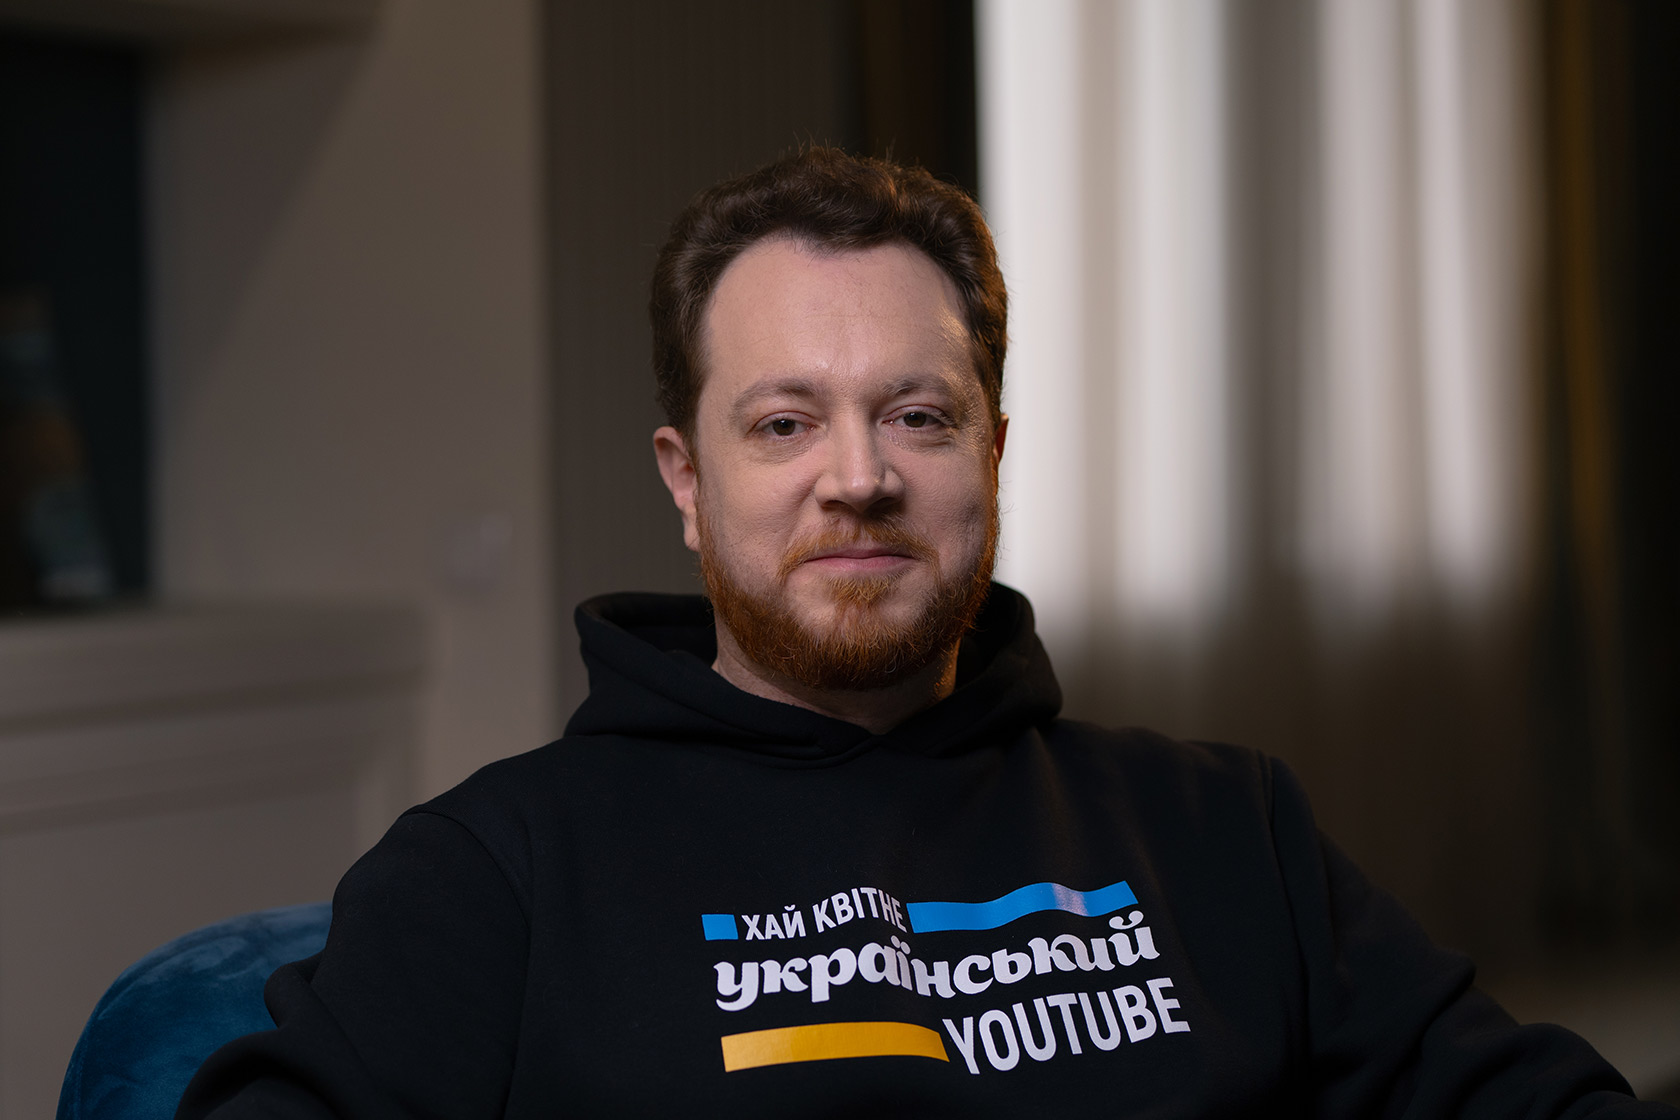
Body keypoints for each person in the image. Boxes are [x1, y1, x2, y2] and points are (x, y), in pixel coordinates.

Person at [179, 148, 1674, 1118]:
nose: (860, 477)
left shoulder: (1226, 828)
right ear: (686, 483)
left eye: (918, 415)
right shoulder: (497, 874)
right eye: (784, 423)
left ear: (993, 455)